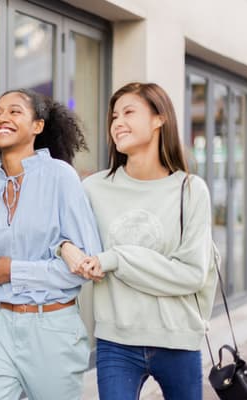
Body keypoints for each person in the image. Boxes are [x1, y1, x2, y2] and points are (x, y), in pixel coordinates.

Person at [61, 82, 217, 400]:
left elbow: (191, 274)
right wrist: (65, 248)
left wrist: (115, 259)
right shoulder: (94, 189)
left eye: (129, 112)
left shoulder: (190, 190)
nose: (118, 122)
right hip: (115, 342)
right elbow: (59, 234)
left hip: (178, 339)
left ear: (159, 118)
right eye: (114, 116)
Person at [0, 88, 102, 400]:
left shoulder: (60, 177)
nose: (1, 118)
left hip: (50, 326)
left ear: (38, 126)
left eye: (14, 111)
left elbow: (85, 265)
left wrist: (16, 271)